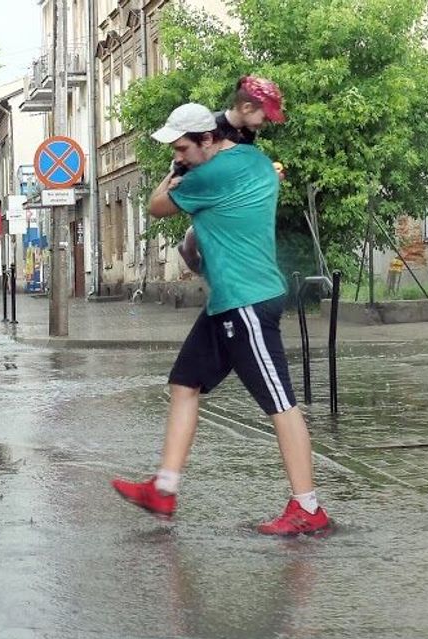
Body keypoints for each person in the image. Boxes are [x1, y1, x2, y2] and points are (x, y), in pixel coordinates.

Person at [112, 103, 331, 536]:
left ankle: (308, 506)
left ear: (208, 140)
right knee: (184, 383)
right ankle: (164, 488)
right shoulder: (251, 160)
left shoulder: (207, 175)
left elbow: (156, 206)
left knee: (281, 403)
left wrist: (174, 173)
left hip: (246, 302)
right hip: (227, 302)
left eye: (182, 148)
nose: (177, 156)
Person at [177, 76, 286, 275]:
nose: (265, 123)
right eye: (264, 117)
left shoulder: (247, 132)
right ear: (246, 108)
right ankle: (193, 250)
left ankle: (192, 249)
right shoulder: (211, 127)